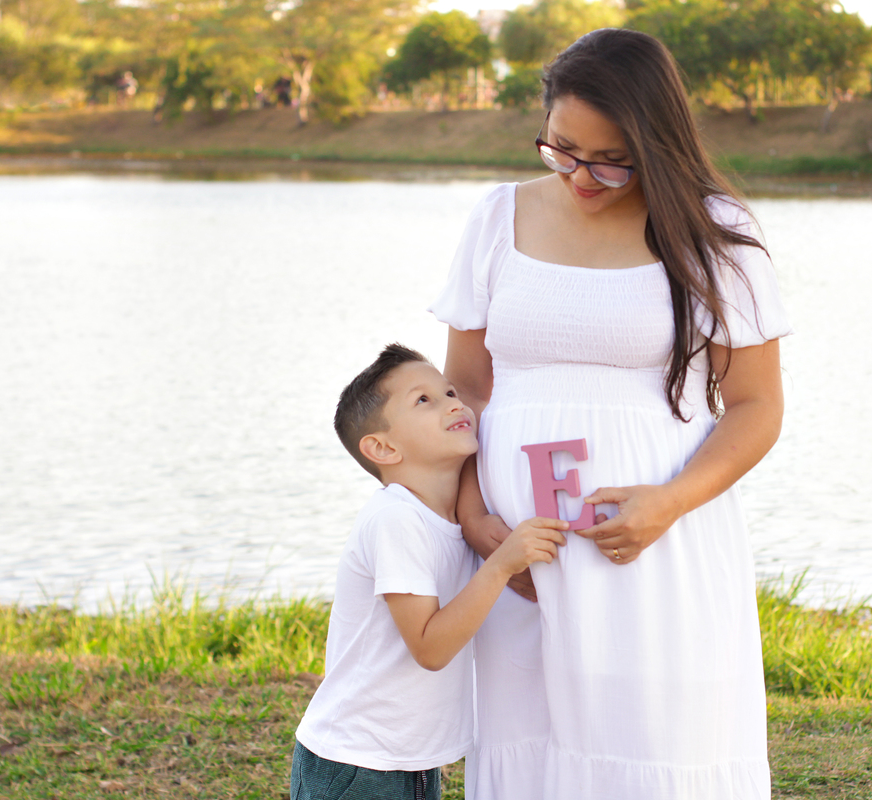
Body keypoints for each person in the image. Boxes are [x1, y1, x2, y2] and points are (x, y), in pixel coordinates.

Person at [430, 28, 792, 800]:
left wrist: (667, 503)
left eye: (610, 159)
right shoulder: (498, 219)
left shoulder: (716, 235)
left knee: (655, 744)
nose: (581, 177)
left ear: (657, 144)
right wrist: (473, 519)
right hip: (517, 559)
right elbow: (464, 392)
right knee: (530, 743)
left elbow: (757, 407)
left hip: (656, 542)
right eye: (561, 149)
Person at [290, 343, 569, 800]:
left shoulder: (451, 519)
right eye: (424, 400)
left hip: (409, 760)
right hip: (359, 763)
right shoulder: (396, 520)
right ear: (382, 446)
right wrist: (501, 564)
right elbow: (430, 646)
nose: (454, 403)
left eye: (451, 391)